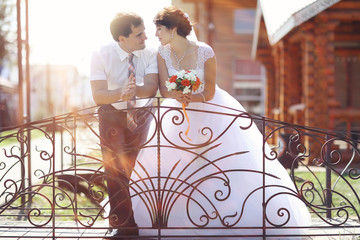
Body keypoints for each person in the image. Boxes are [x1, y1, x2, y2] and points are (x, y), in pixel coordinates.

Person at [130, 6, 312, 239]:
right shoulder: (162, 52)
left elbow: (210, 89)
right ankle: (178, 220)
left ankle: (234, 216)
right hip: (177, 113)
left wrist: (192, 96)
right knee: (177, 165)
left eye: (159, 28)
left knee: (222, 161)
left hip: (210, 110)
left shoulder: (205, 51)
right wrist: (179, 95)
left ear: (173, 29)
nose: (156, 34)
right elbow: (165, 88)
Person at [89, 12, 158, 239]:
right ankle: (123, 224)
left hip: (142, 114)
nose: (145, 38)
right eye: (138, 35)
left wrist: (135, 91)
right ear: (122, 39)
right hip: (111, 115)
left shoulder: (149, 54)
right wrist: (120, 93)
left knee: (142, 168)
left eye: (144, 32)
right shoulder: (101, 55)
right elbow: (98, 96)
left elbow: (150, 87)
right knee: (115, 169)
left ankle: (149, 218)